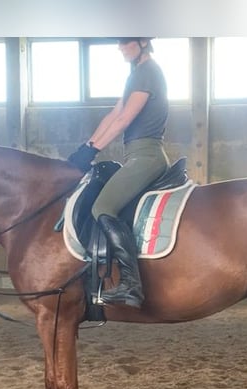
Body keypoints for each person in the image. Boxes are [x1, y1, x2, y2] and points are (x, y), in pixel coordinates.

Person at [67, 37, 169, 309]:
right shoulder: (136, 75)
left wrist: (95, 150)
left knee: (103, 206)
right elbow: (114, 114)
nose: (120, 48)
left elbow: (125, 120)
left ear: (143, 42)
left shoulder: (147, 73)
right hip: (135, 155)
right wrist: (87, 147)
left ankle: (131, 284)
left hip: (147, 156)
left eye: (125, 42)